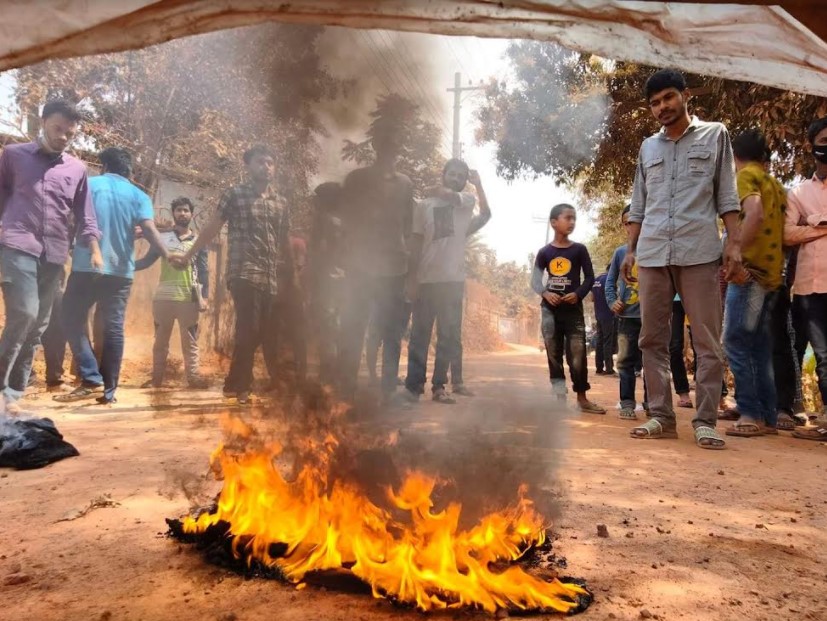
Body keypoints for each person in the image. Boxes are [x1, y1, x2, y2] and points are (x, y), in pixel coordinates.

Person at [622, 69, 741, 449]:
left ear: (686, 95)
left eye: (668, 97)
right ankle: (661, 416)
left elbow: (727, 195)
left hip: (699, 252)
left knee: (707, 341)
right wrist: (631, 249)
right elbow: (640, 203)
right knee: (651, 340)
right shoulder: (647, 148)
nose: (662, 107)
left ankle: (705, 421)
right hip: (654, 252)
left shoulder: (715, 134)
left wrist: (734, 243)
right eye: (655, 103)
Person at [171, 145, 293, 405]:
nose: (266, 167)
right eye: (261, 162)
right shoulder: (235, 195)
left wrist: (292, 275)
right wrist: (190, 254)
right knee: (249, 329)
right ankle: (243, 388)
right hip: (243, 272)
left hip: (269, 276)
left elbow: (284, 240)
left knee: (263, 332)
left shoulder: (281, 202)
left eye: (270, 162)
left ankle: (232, 382)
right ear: (248, 166)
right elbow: (213, 227)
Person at [0, 99, 102, 411]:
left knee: (38, 327)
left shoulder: (76, 169)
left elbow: (86, 215)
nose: (62, 137)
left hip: (55, 254)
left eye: (69, 134)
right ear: (43, 121)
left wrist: (95, 248)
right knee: (25, 313)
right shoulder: (13, 156)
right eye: (58, 129)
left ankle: (13, 397)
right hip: (16, 244)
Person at [56, 147, 169, 404]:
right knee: (114, 328)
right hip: (121, 272)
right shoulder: (140, 196)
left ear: (104, 166)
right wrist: (167, 254)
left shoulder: (90, 185)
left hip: (87, 266)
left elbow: (72, 219)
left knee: (70, 317)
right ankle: (109, 391)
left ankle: (90, 377)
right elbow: (150, 230)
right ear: (129, 170)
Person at [337, 120, 414, 403]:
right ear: (376, 146)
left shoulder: (405, 184)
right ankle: (346, 387)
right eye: (385, 143)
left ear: (399, 150)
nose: (390, 149)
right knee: (353, 325)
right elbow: (345, 221)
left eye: (395, 144)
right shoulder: (357, 180)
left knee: (392, 329)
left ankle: (388, 388)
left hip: (393, 268)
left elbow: (408, 225)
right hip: (360, 266)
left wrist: (403, 258)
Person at [403, 159, 491, 404]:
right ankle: (413, 387)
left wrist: (478, 185)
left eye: (460, 176)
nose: (455, 178)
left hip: (452, 282)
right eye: (451, 174)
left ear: (465, 181)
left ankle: (439, 387)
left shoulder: (466, 203)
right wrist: (411, 278)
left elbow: (470, 205)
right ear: (444, 174)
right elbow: (416, 243)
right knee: (419, 336)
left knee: (447, 336)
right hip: (426, 280)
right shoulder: (423, 206)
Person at [723, 129, 786, 437]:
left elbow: (755, 213)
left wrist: (734, 250)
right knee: (759, 345)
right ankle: (767, 416)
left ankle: (749, 413)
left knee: (735, 340)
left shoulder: (745, 176)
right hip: (772, 275)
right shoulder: (776, 184)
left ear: (736, 156)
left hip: (748, 273)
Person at [531, 203, 605, 414]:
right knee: (554, 356)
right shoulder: (545, 252)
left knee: (578, 354)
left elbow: (590, 277)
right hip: (549, 311)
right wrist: (546, 293)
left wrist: (578, 294)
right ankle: (559, 399)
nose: (572, 222)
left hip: (573, 311)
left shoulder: (579, 249)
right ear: (554, 222)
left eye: (574, 218)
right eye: (567, 218)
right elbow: (535, 281)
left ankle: (582, 398)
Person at [135, 197, 210, 389]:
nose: (182, 213)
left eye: (186, 210)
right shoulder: (163, 239)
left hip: (190, 298)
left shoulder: (199, 242)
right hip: (163, 298)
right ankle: (156, 380)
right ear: (173, 213)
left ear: (191, 214)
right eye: (178, 210)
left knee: (191, 343)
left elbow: (203, 271)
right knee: (160, 343)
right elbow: (147, 261)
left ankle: (193, 379)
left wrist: (205, 297)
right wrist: (127, 267)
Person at [784, 115, 827, 441]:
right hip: (810, 287)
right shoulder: (798, 192)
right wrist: (819, 227)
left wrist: (810, 226)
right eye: (823, 143)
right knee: (817, 355)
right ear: (813, 148)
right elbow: (786, 234)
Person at [606, 205, 646, 420]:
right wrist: (612, 301)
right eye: (627, 222)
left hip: (651, 318)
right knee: (626, 362)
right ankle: (627, 403)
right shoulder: (620, 252)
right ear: (623, 226)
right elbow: (610, 281)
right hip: (626, 317)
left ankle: (653, 404)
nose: (632, 226)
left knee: (652, 361)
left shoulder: (655, 248)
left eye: (636, 220)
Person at [591, 264, 615, 375]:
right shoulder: (609, 280)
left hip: (598, 314)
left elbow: (592, 298)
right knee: (607, 341)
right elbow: (612, 297)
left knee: (600, 341)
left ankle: (599, 367)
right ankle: (609, 368)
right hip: (608, 314)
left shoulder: (596, 280)